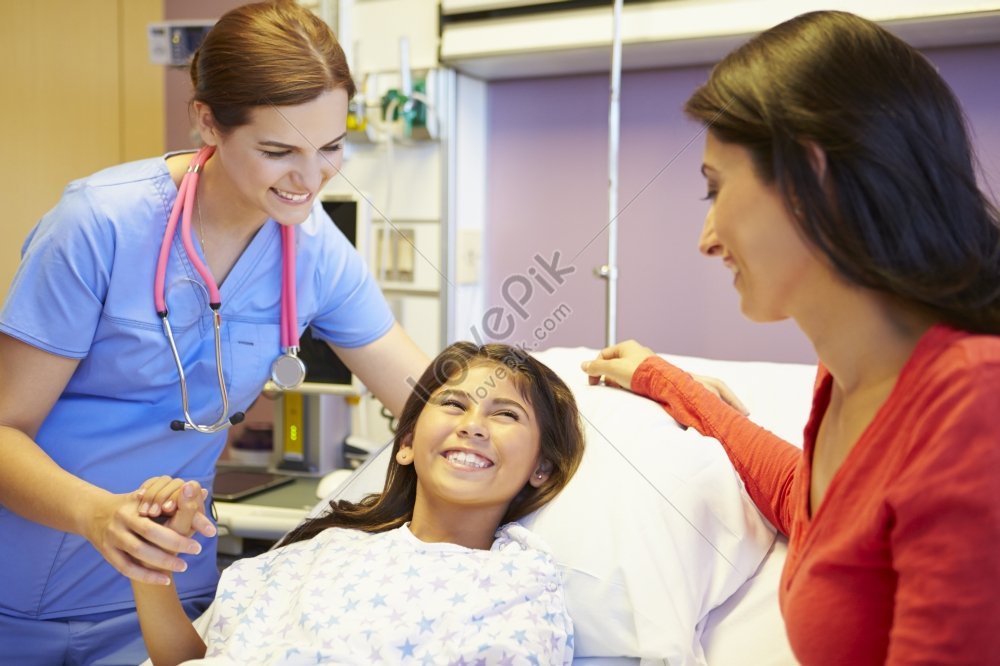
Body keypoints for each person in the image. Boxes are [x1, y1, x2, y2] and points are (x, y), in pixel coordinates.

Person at [0, 2, 428, 663]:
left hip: (169, 598)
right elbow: (4, 430)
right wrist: (95, 515)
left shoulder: (314, 251)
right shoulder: (99, 226)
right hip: (20, 593)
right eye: (279, 151)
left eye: (331, 149)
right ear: (207, 121)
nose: (309, 180)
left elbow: (423, 400)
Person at [581, 10, 1000, 666]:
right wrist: (664, 382)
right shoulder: (851, 383)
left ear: (812, 179)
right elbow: (810, 506)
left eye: (716, 191)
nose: (707, 238)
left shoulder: (972, 403)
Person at [130, 341, 585, 665]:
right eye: (452, 404)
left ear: (540, 469)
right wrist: (154, 569)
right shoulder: (319, 553)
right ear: (406, 445)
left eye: (505, 414)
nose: (473, 425)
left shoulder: (519, 585)